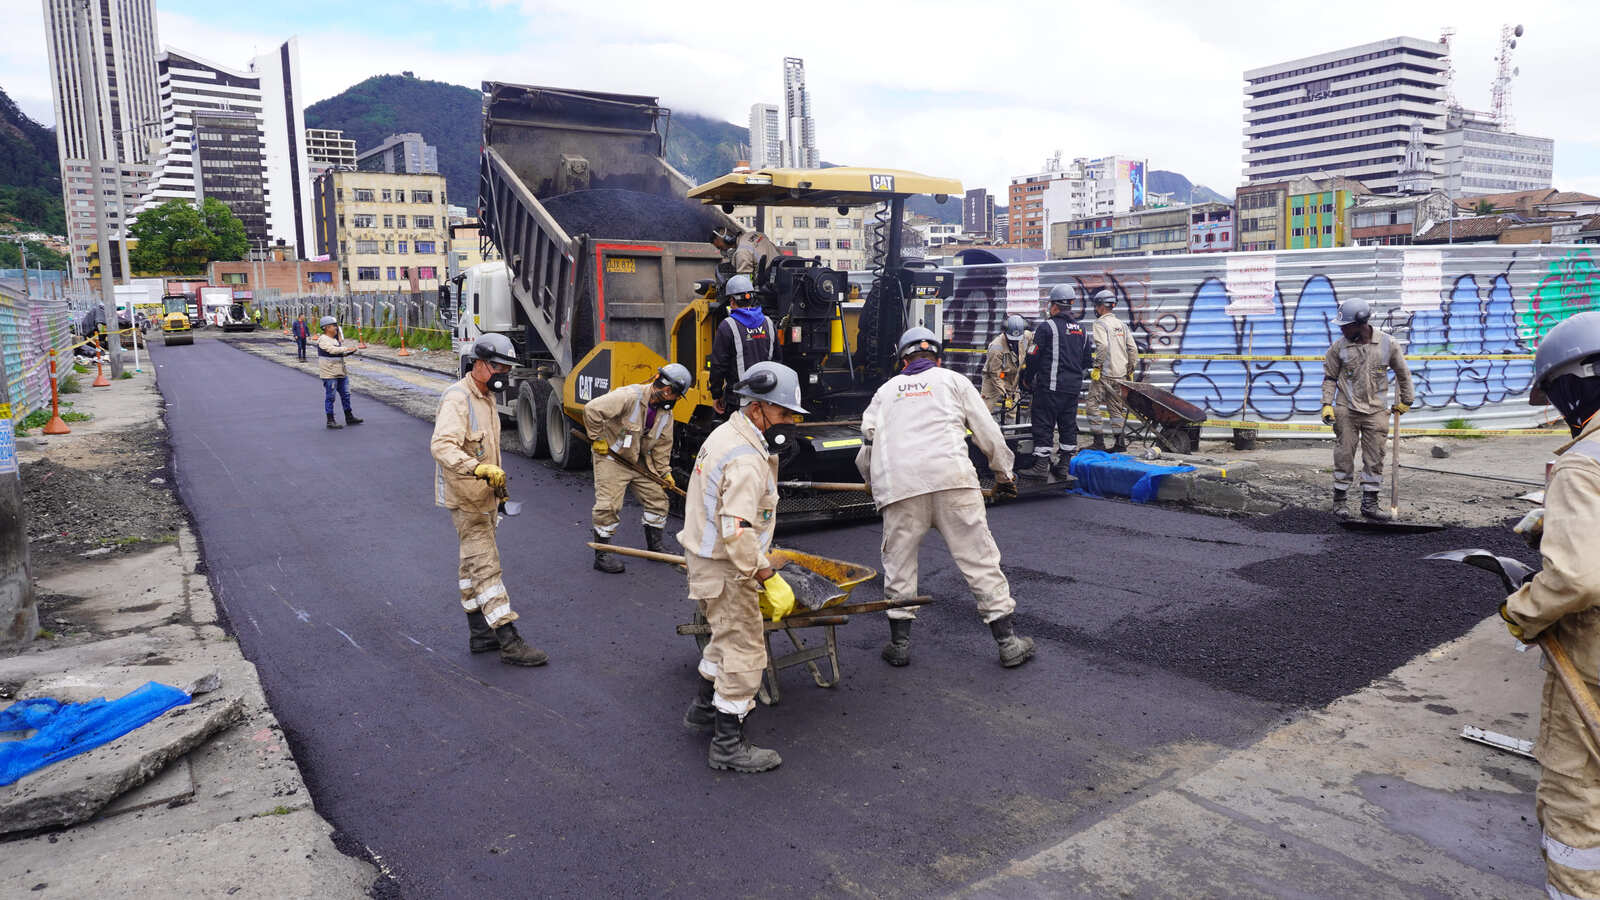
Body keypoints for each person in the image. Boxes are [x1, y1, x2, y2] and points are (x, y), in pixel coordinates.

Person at [1498, 311, 1600, 900]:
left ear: (1574, 383)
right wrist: (1560, 524)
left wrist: (1523, 611)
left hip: (1594, 660)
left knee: (1578, 796)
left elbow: (1579, 578)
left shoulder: (1585, 462)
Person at [858, 327, 1031, 669]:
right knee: (979, 559)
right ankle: (1008, 642)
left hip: (901, 488)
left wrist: (872, 483)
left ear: (902, 360)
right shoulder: (953, 380)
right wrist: (1004, 474)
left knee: (899, 563)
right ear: (937, 358)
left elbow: (868, 448)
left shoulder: (885, 392)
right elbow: (988, 432)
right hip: (953, 480)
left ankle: (900, 644)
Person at [677, 360, 804, 773]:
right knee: (746, 652)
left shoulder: (725, 434)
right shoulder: (747, 459)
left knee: (721, 639)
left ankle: (702, 711)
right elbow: (736, 528)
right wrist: (766, 575)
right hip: (729, 567)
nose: (788, 422)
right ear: (757, 408)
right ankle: (728, 746)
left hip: (709, 561)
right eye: (783, 413)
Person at [430, 333, 547, 667]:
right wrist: (478, 468)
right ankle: (509, 640)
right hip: (467, 500)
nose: (503, 374)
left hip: (485, 499)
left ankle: (480, 634)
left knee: (470, 566)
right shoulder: (457, 398)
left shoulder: (486, 398)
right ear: (478, 364)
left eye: (506, 368)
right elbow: (442, 446)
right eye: (497, 367)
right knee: (486, 566)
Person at [584, 364, 692, 573]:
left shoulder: (665, 415)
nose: (676, 401)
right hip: (612, 459)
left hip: (640, 463)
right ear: (668, 391)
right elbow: (592, 409)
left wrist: (664, 472)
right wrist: (597, 438)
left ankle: (655, 547)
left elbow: (662, 446)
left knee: (658, 499)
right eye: (677, 396)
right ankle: (602, 553)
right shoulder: (628, 396)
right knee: (609, 506)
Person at [1319, 298, 1414, 520]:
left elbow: (1403, 373)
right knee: (1343, 454)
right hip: (1346, 409)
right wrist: (1326, 404)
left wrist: (1407, 401)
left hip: (1376, 411)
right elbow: (1330, 377)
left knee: (1375, 457)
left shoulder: (1388, 344)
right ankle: (1339, 500)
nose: (1341, 329)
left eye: (1346, 325)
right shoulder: (1338, 348)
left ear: (1360, 322)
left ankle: (1369, 504)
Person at [1021, 284, 1092, 479]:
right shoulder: (1082, 331)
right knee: (1068, 425)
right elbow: (1088, 361)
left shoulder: (1047, 327)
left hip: (1050, 388)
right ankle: (1064, 465)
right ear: (1070, 305)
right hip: (1072, 390)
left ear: (1054, 306)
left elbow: (1033, 356)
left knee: (1043, 423)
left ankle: (1041, 466)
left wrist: (1027, 380)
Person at [708, 274, 777, 414]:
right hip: (766, 398)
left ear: (732, 301)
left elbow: (718, 365)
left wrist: (716, 394)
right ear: (752, 299)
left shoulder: (727, 326)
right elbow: (777, 361)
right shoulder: (769, 323)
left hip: (738, 401)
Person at [1084, 289, 1140, 452]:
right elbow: (1133, 349)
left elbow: (1103, 346)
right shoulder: (1121, 325)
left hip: (1105, 374)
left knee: (1091, 405)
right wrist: (1130, 368)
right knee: (1116, 408)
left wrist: (1097, 366)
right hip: (1120, 375)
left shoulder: (1100, 323)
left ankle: (1098, 441)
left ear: (1101, 306)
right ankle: (1119, 443)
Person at [315, 315, 364, 429]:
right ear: (326, 328)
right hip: (329, 373)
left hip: (341, 372)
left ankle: (349, 416)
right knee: (330, 397)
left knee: (346, 395)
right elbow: (332, 350)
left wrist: (349, 352)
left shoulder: (335, 340)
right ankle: (330, 420)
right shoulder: (323, 340)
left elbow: (339, 353)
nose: (336, 328)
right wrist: (346, 349)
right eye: (334, 326)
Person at [981, 314, 1032, 416]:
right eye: (1012, 339)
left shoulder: (1026, 336)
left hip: (1013, 377)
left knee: (1012, 409)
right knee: (984, 409)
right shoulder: (996, 347)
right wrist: (1005, 394)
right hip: (996, 377)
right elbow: (995, 374)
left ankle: (1009, 430)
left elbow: (1032, 346)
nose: (1015, 341)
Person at [710, 225, 780, 278]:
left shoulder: (741, 252)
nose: (722, 252)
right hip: (781, 272)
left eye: (721, 248)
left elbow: (745, 282)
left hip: (769, 282)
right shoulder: (755, 234)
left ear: (728, 240)